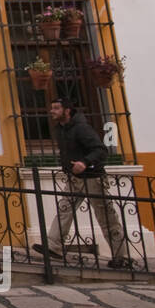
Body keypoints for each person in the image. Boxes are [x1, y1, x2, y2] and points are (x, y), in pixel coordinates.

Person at [32, 97, 133, 269]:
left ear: (67, 110)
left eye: (56, 108)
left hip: (93, 178)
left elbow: (101, 150)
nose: (52, 111)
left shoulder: (82, 128)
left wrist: (85, 162)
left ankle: (121, 256)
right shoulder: (60, 129)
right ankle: (53, 246)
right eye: (52, 108)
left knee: (106, 217)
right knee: (64, 210)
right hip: (75, 178)